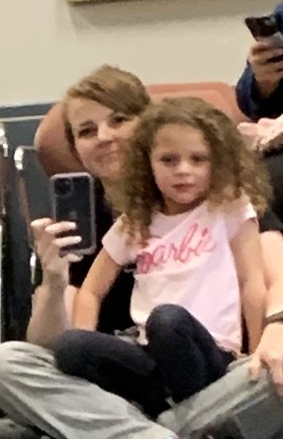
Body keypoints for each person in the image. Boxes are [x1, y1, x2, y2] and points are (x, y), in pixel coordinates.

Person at [0, 65, 283, 439]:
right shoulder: (83, 222)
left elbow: (278, 280)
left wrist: (282, 327)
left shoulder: (222, 198)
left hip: (217, 376)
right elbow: (51, 344)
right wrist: (53, 284)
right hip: (124, 380)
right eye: (87, 131)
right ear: (75, 147)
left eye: (119, 120)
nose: (104, 136)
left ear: (151, 126)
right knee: (3, 364)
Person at [54, 98, 267, 419]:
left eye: (198, 160)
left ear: (218, 163)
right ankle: (168, 413)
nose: (184, 170)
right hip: (148, 353)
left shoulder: (229, 208)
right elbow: (90, 290)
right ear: (146, 164)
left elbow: (252, 282)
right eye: (169, 160)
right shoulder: (135, 221)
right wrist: (85, 332)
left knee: (167, 320)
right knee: (71, 346)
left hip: (210, 353)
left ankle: (179, 416)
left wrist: (258, 351)